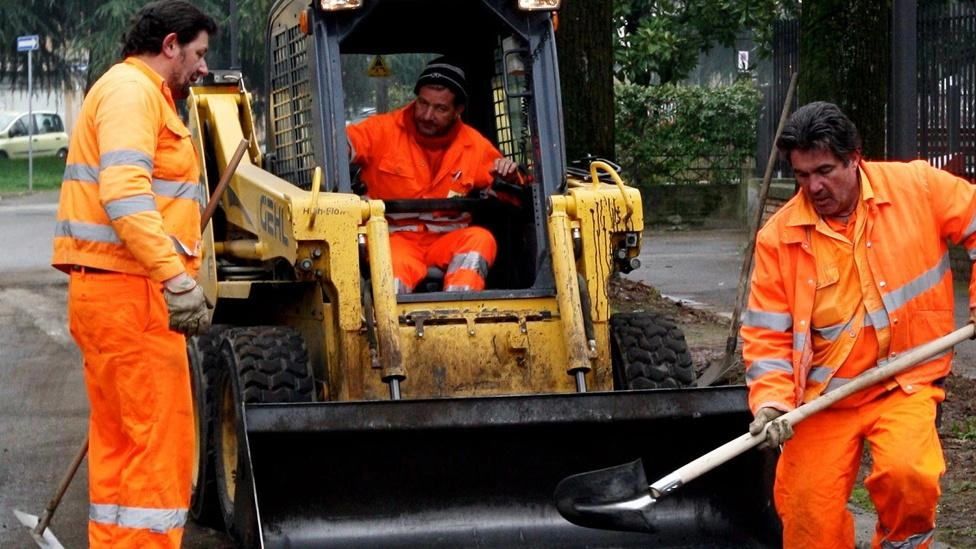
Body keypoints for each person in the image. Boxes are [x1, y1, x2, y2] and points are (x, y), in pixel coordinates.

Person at [740, 100, 976, 548]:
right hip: (823, 399)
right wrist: (771, 401)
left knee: (910, 477)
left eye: (825, 170)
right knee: (807, 515)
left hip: (904, 381)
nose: (814, 186)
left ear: (855, 158)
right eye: (803, 175)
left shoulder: (917, 188)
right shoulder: (779, 238)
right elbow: (767, 333)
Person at [50, 1, 217, 547]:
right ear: (169, 45)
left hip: (113, 293)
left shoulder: (131, 91)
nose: (203, 68)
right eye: (197, 54)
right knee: (156, 445)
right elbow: (124, 194)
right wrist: (176, 277)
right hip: (133, 295)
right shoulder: (134, 93)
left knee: (121, 444)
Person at [346, 56, 521, 293]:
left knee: (480, 239)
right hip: (393, 241)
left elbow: (514, 193)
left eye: (440, 108)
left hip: (446, 241)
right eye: (423, 103)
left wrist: (509, 178)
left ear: (458, 110)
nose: (427, 115)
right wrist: (344, 148)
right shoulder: (382, 130)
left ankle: (461, 317)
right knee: (392, 266)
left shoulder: (474, 146)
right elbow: (345, 144)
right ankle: (391, 325)